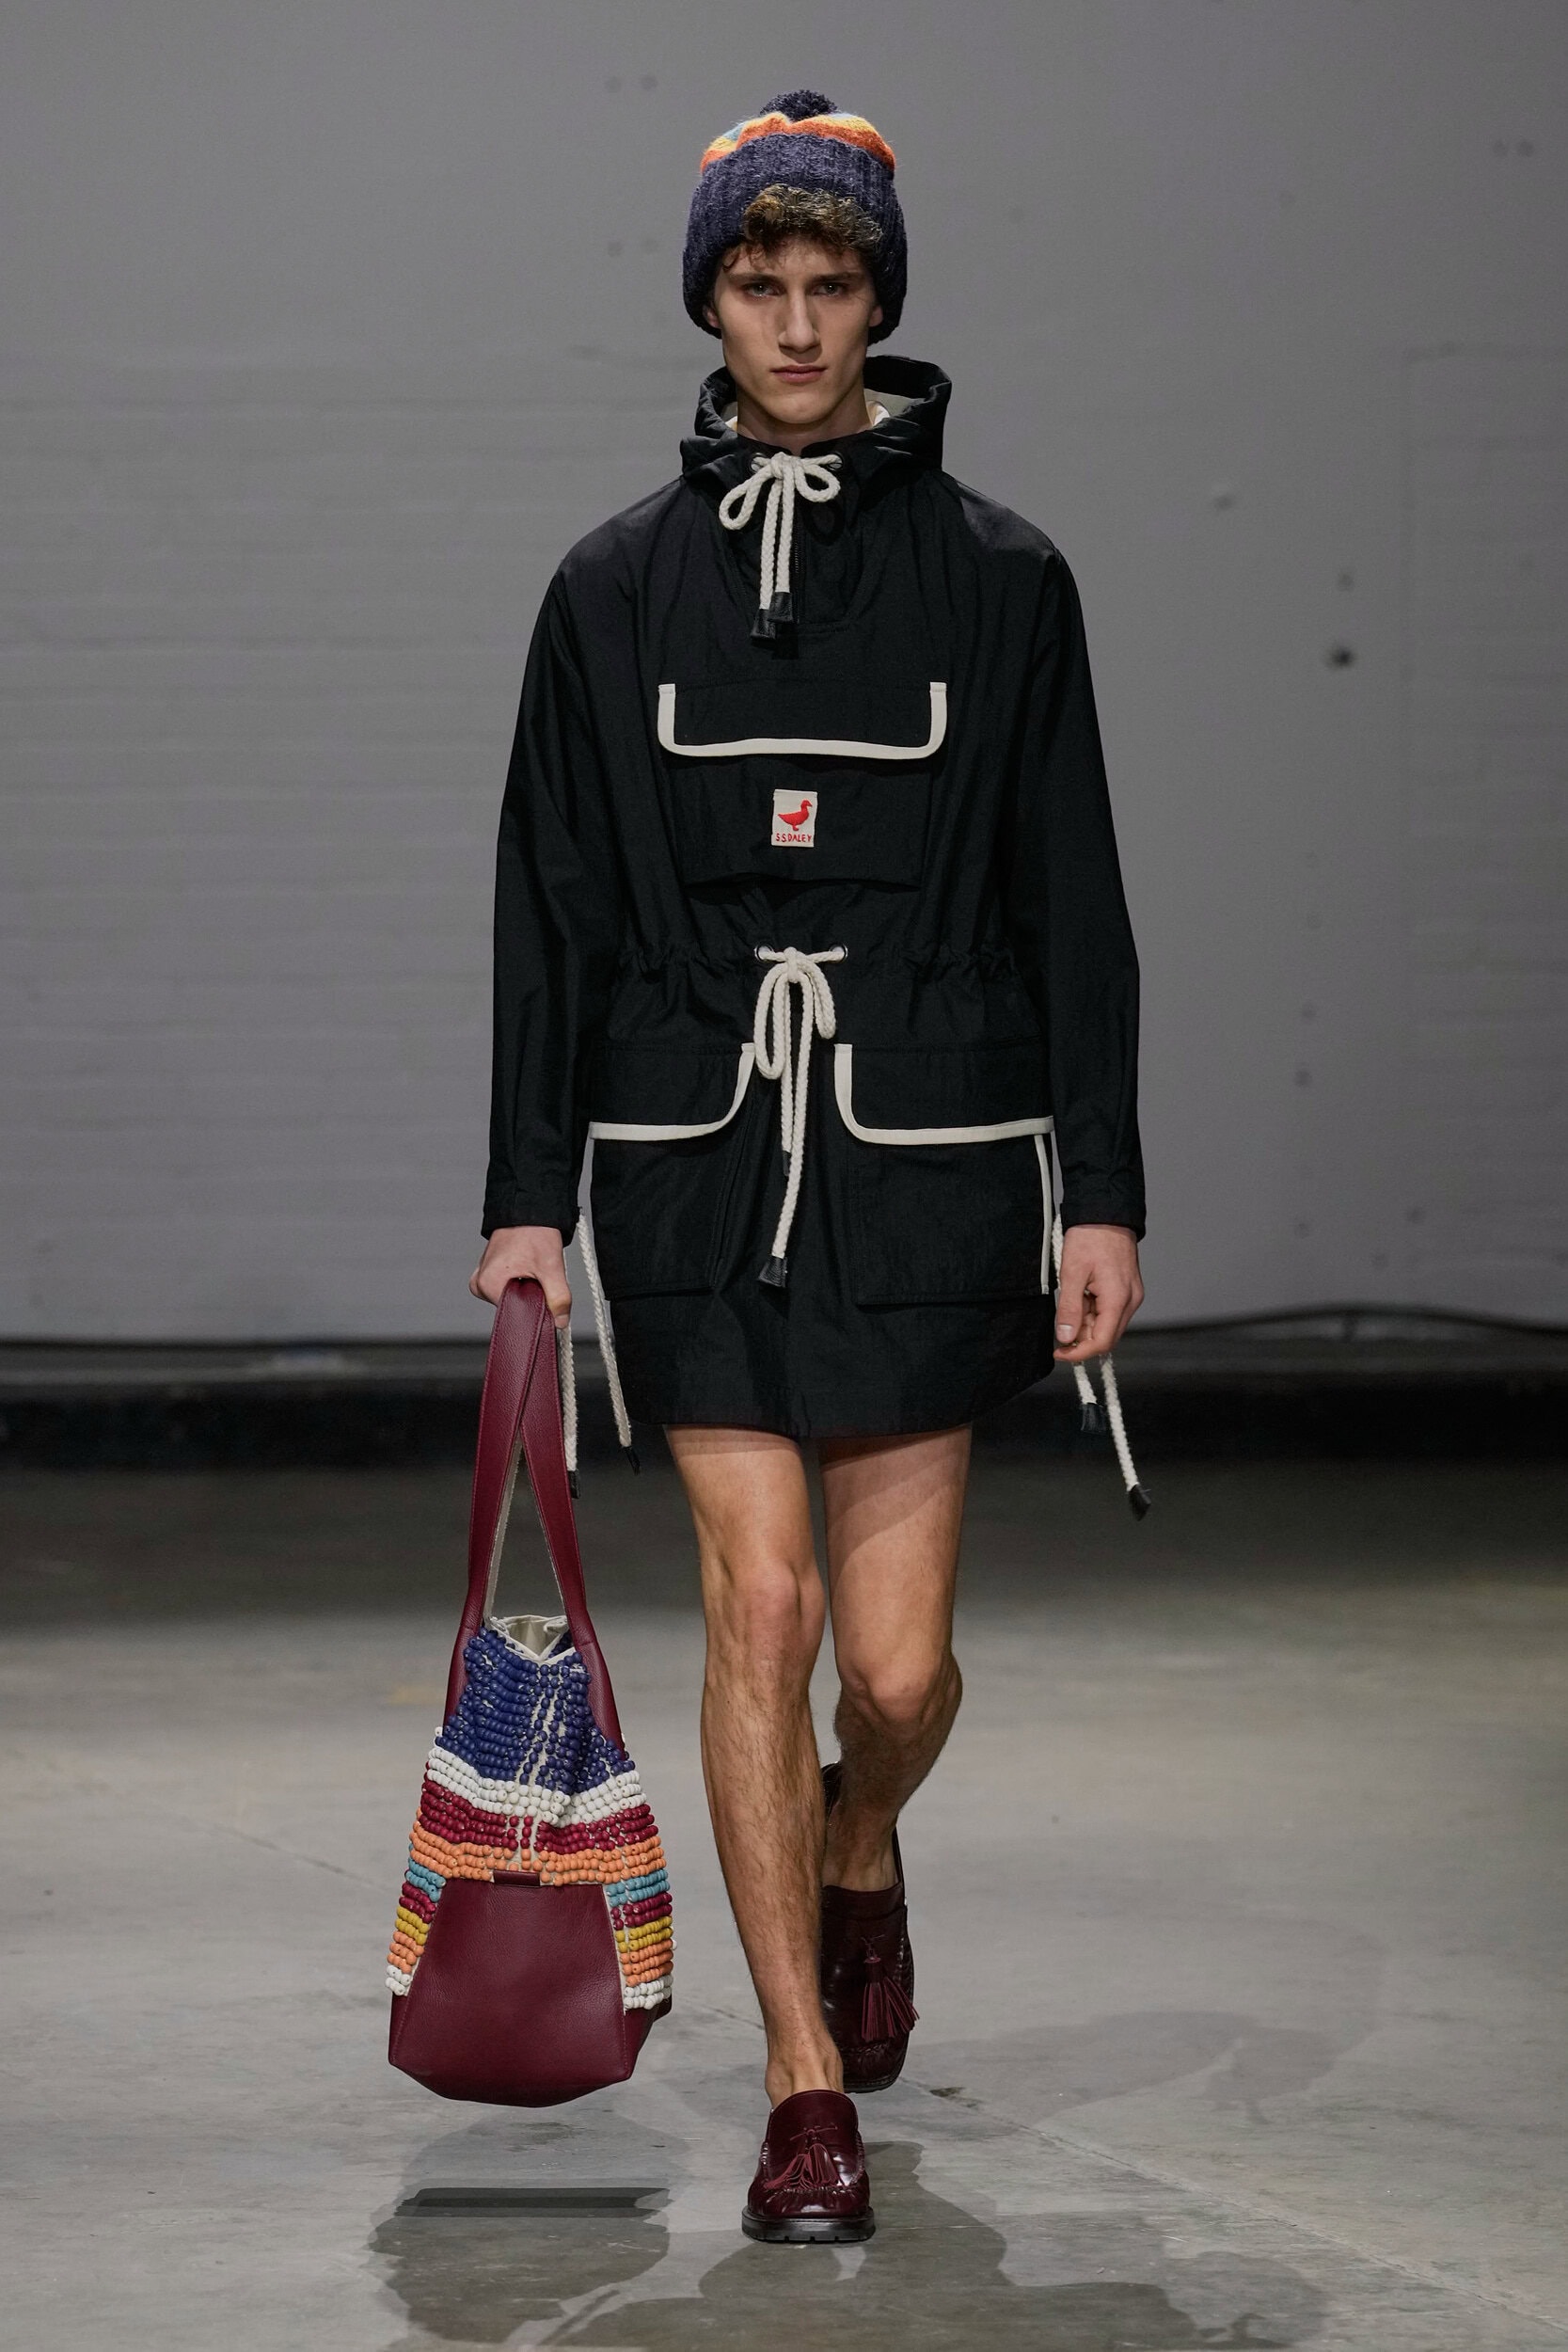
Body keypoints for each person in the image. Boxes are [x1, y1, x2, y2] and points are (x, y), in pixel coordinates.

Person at [470, 90, 1146, 2244]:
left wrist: (1104, 1185)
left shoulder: (1004, 580)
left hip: (929, 1150)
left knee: (901, 1669)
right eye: (756, 283)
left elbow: (1072, 895)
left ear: (877, 300)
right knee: (758, 1604)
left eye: (827, 282)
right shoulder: (611, 590)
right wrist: (526, 1196)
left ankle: (859, 1835)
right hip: (694, 1146)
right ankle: (799, 2081)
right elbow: (553, 901)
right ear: (710, 301)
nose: (790, 321)